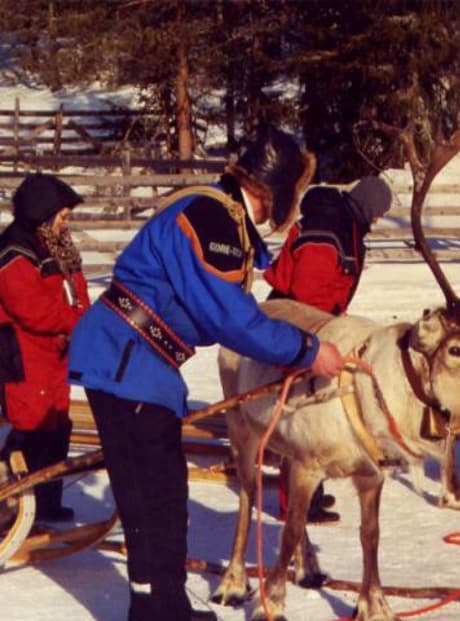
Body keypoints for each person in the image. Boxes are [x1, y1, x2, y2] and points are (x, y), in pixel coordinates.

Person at [67, 123, 345, 621]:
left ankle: (161, 607)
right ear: (275, 192)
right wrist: (307, 349)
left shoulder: (220, 215)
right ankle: (158, 613)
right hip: (127, 360)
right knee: (155, 499)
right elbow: (229, 317)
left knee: (159, 497)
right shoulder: (210, 219)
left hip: (138, 362)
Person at [263, 175, 393, 523]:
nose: (377, 221)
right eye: (378, 214)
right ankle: (297, 505)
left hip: (314, 323)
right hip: (298, 325)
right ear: (367, 207)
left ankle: (311, 492)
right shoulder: (329, 230)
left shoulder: (343, 223)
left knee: (312, 408)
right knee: (299, 411)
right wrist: (314, 339)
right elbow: (307, 293)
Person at [0, 173, 90, 523]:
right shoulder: (14, 250)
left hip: (56, 352)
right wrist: (74, 320)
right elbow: (32, 309)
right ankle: (12, 505)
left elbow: (77, 291)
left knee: (56, 424)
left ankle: (47, 501)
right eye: (63, 216)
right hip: (25, 352)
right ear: (44, 213)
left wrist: (83, 317)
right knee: (30, 426)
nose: (66, 223)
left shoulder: (59, 246)